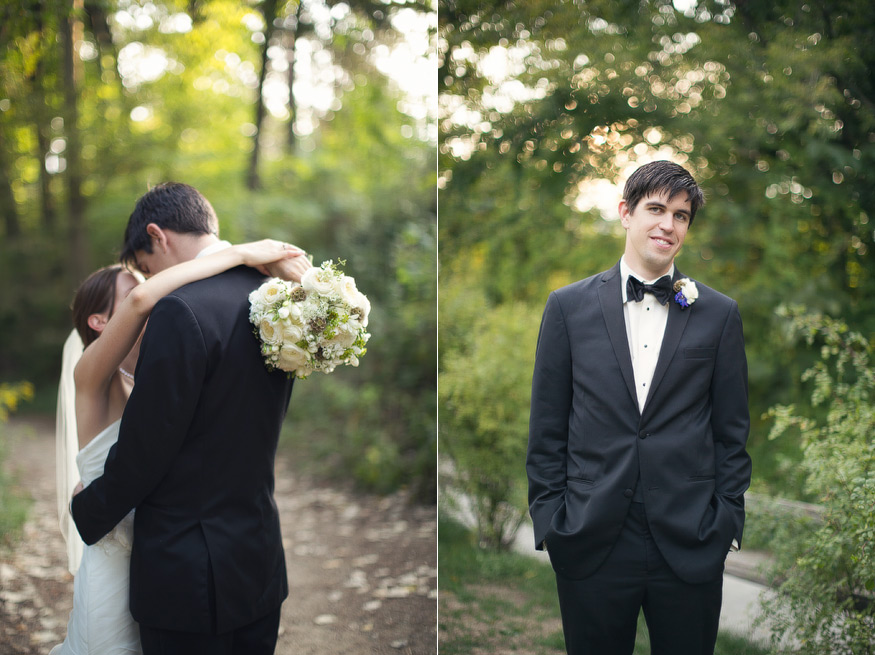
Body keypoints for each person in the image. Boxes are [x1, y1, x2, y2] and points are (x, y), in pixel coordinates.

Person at [68, 182, 312, 655]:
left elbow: (146, 450)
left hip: (186, 574)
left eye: (145, 269)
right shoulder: (274, 300)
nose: (149, 283)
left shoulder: (178, 310)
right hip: (257, 557)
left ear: (157, 237)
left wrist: (87, 510)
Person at [526, 160, 751, 655]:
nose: (667, 225)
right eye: (655, 209)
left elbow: (731, 432)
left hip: (691, 538)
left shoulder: (719, 313)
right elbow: (547, 427)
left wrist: (725, 522)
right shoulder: (567, 307)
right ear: (625, 213)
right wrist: (551, 521)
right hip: (590, 537)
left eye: (681, 215)